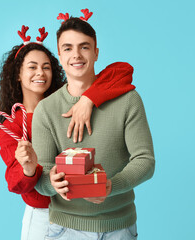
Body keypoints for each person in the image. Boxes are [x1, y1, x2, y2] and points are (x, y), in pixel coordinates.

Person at [0, 25, 136, 240]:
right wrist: (29, 169)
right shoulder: (13, 125)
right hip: (44, 215)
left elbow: (122, 71)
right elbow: (17, 182)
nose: (40, 72)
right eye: (32, 67)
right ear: (17, 75)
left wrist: (88, 99)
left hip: (79, 213)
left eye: (46, 67)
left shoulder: (65, 104)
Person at [32, 10, 155, 240]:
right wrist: (52, 182)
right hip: (65, 229)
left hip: (120, 227)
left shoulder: (128, 100)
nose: (76, 55)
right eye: (68, 48)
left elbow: (145, 160)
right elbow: (41, 177)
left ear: (96, 52)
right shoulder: (46, 110)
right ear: (59, 55)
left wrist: (111, 185)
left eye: (84, 47)